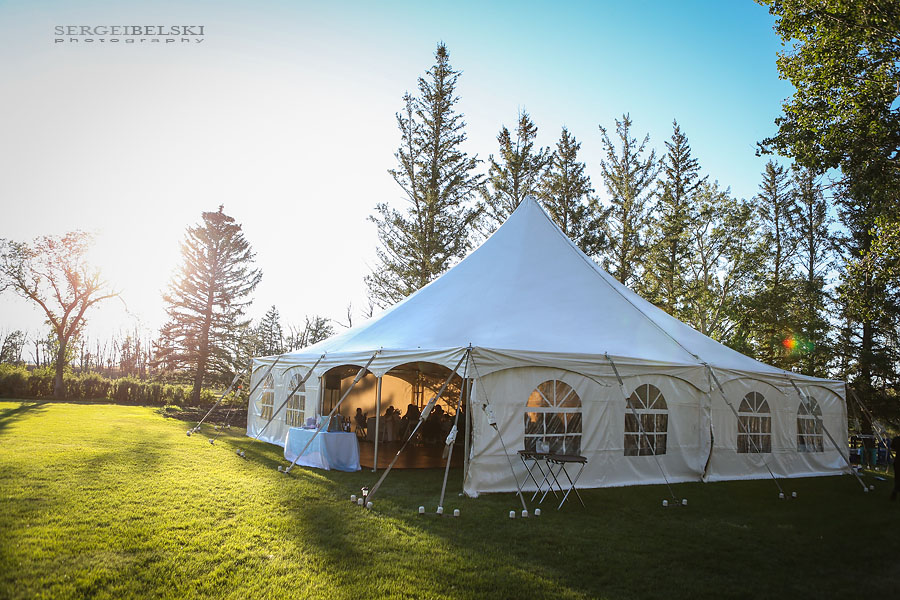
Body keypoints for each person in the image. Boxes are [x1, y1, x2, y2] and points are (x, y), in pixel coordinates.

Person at [891, 435, 900, 501]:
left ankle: (895, 491)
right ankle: (895, 491)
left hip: (897, 461)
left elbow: (892, 447)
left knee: (897, 477)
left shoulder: (896, 439)